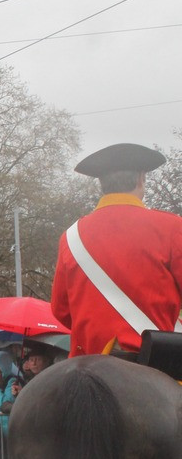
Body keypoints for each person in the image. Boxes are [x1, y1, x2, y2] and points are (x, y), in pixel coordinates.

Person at [51, 143, 182, 357]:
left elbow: (61, 310)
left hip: (88, 360)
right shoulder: (173, 228)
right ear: (141, 178)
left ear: (102, 184)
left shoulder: (70, 236)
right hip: (153, 360)